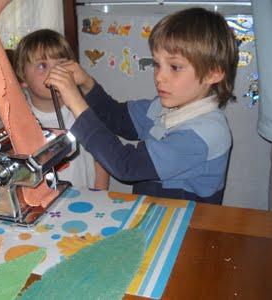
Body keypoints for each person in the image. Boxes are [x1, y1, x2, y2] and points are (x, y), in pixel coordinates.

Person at [45, 7, 239, 204]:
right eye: (157, 64)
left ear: (213, 73)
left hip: (187, 226)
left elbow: (125, 166)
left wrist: (76, 102)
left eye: (175, 67)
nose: (159, 77)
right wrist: (87, 84)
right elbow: (118, 118)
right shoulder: (165, 107)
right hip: (156, 214)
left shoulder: (204, 135)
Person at [0, 29, 109, 190]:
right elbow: (6, 161)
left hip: (82, 201)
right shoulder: (17, 120)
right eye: (42, 65)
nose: (55, 72)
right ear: (22, 79)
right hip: (39, 205)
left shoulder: (82, 110)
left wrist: (99, 193)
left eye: (61, 63)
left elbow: (102, 158)